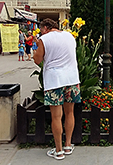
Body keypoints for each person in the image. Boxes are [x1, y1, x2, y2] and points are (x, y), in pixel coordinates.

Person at [33, 18, 80, 160]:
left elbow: (37, 60)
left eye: (41, 30)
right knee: (70, 113)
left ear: (46, 28)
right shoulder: (70, 36)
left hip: (54, 81)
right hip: (72, 79)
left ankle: (59, 151)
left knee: (56, 116)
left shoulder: (44, 39)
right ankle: (68, 145)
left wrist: (37, 45)